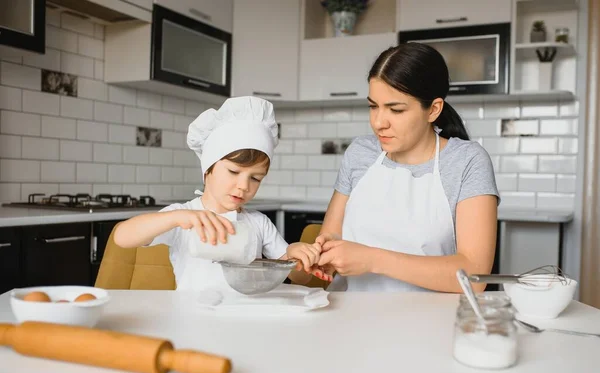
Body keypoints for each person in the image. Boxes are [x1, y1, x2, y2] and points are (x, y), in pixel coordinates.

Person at [306, 43, 500, 293]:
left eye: (395, 109)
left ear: (433, 109)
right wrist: (324, 253)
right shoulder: (359, 153)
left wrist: (372, 260)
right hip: (350, 316)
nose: (378, 123)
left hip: (431, 323)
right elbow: (332, 236)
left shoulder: (466, 161)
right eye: (373, 106)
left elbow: (474, 275)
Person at [113, 96, 320, 291]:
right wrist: (175, 218)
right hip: (194, 320)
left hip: (245, 319)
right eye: (233, 172)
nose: (243, 186)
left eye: (255, 178)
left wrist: (295, 256)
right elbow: (122, 237)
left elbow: (300, 278)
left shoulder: (258, 223)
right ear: (207, 170)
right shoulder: (185, 215)